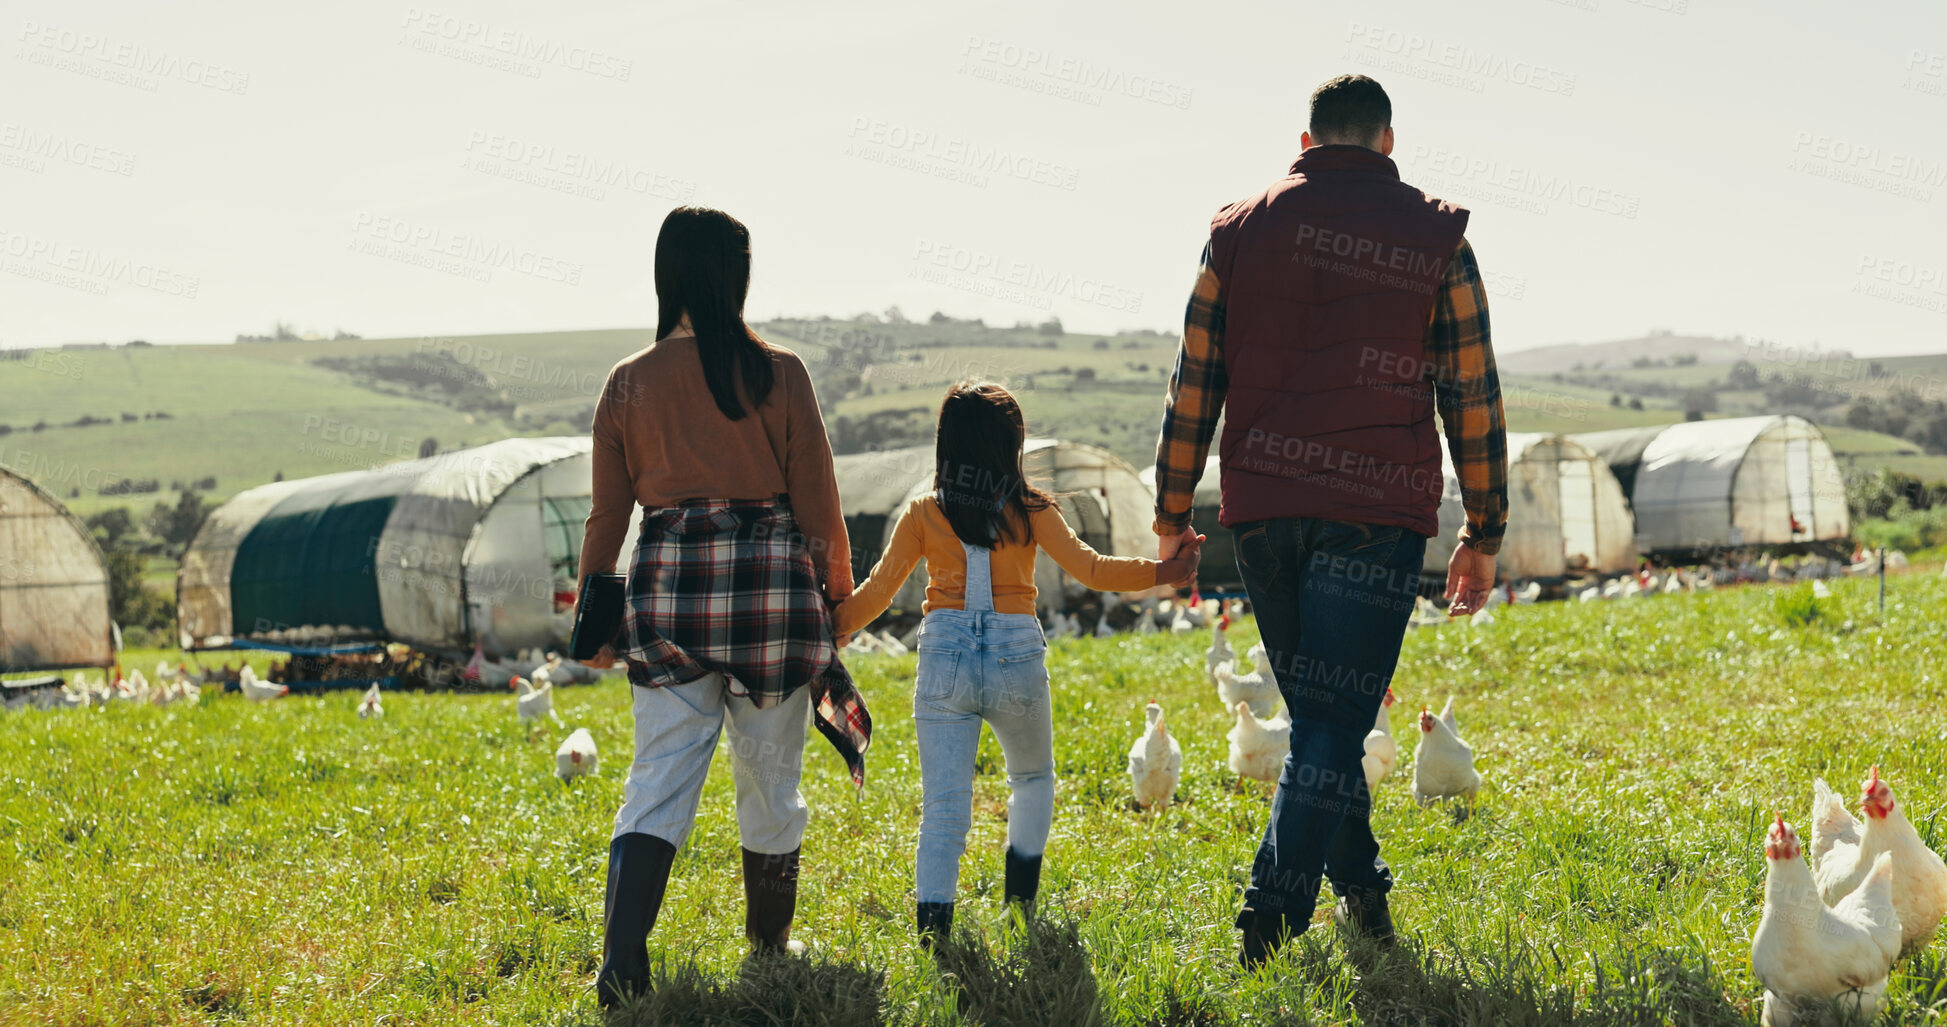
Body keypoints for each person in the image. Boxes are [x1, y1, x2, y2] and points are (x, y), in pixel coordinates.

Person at [1150, 74, 1509, 966]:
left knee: (1322, 711)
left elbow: (1193, 382)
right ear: (1387, 142)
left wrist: (1169, 516)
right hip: (1372, 511)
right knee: (1328, 721)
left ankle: (1364, 896)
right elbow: (1472, 388)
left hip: (1264, 512)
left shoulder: (1234, 233)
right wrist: (1484, 528)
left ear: (1303, 144)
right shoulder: (1435, 234)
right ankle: (1265, 926)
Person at [577, 206, 870, 1008]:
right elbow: (819, 507)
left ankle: (622, 965)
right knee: (769, 778)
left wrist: (594, 624)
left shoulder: (627, 381)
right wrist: (835, 599)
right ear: (738, 274)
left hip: (669, 589)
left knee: (660, 776)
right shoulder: (783, 373)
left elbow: (608, 518)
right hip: (772, 597)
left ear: (664, 273)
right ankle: (769, 943)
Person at [832, 381, 1201, 947]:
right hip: (1015, 657)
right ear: (1012, 444)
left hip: (945, 659)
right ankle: (1018, 907)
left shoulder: (924, 513)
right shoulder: (1031, 510)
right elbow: (1095, 571)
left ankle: (934, 933)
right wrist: (1166, 574)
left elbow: (878, 593)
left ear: (945, 445)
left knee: (943, 809)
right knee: (1031, 780)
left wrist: (826, 629)